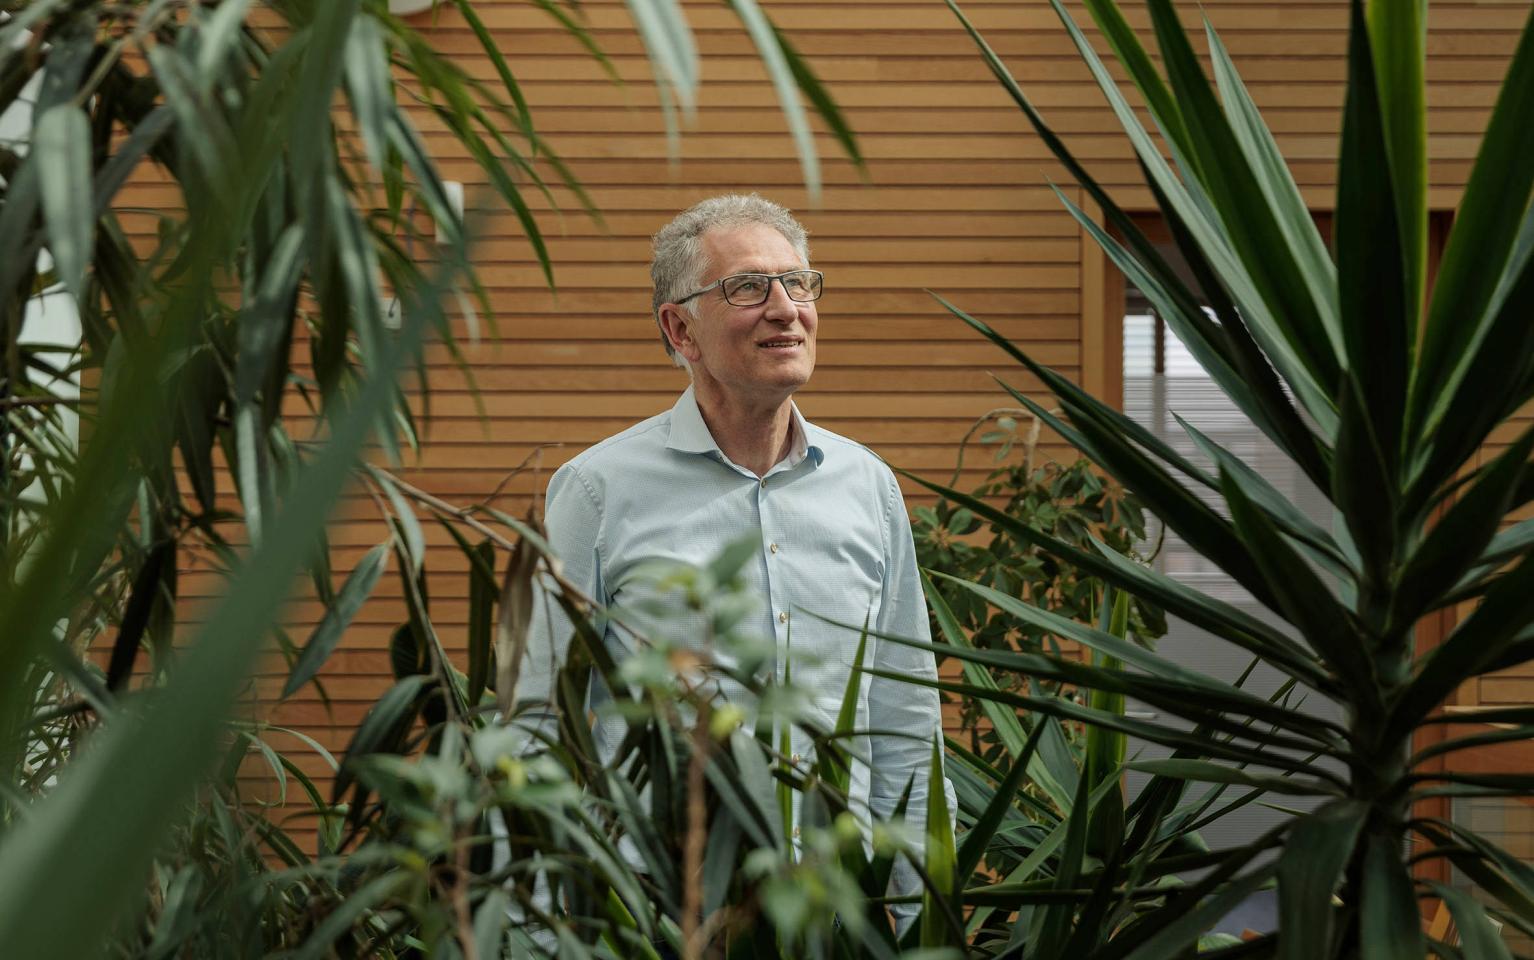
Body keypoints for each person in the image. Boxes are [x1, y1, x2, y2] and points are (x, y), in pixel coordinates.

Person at [513, 193, 954, 934]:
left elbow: (904, 715)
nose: (786, 308)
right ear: (679, 328)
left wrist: (909, 911)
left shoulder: (868, 486)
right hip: (660, 915)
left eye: (800, 283)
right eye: (749, 288)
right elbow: (535, 722)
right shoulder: (595, 491)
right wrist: (536, 933)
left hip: (837, 912)